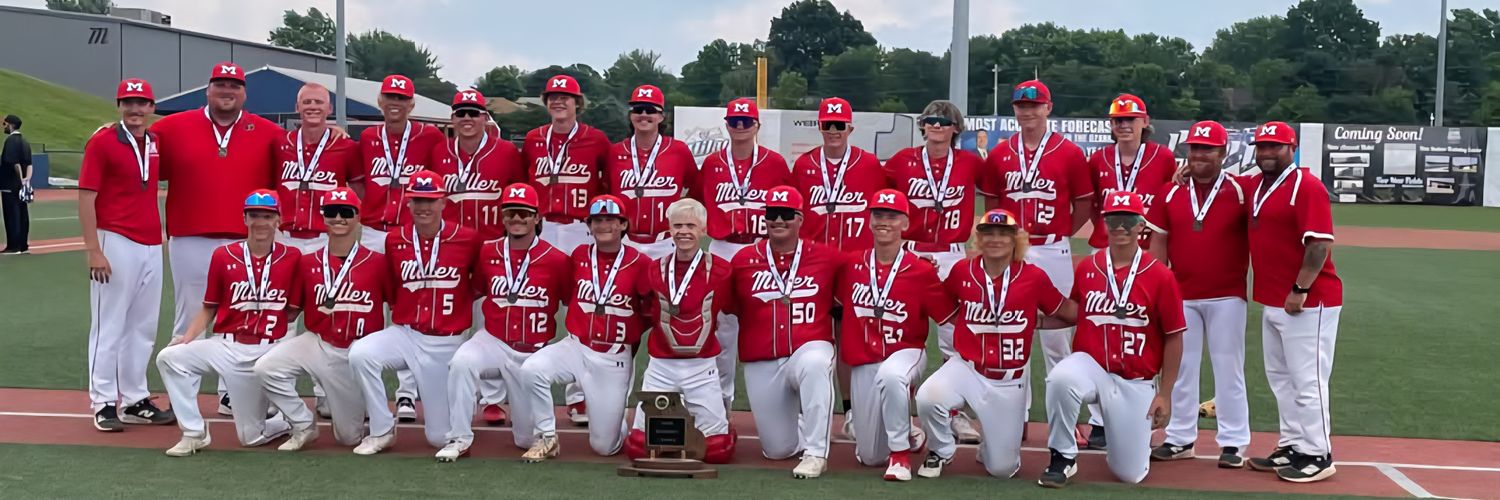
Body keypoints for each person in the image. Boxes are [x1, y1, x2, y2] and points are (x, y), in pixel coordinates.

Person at [151, 62, 286, 416]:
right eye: (221, 84)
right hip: (190, 236)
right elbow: (132, 142)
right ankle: (183, 396)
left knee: (241, 319)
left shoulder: (269, 132)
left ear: (244, 93)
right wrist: (108, 130)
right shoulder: (170, 127)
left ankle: (232, 394)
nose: (227, 91)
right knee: (189, 316)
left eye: (235, 85)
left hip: (246, 240)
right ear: (208, 89)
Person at [1039, 191, 1185, 488]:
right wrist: (1037, 319)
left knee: (1129, 474)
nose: (1120, 227)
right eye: (1113, 220)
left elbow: (1173, 337)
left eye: (1127, 221)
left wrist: (1165, 394)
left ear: (1141, 225)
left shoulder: (1160, 275)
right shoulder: (1088, 267)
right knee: (1060, 379)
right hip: (1092, 366)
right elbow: (1077, 312)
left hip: (1135, 379)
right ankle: (1062, 456)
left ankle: (1127, 436)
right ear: (1104, 223)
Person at [916, 208, 1075, 479]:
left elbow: (1066, 311)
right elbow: (945, 305)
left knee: (1002, 469)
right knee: (928, 397)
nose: (996, 239)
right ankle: (941, 450)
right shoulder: (962, 270)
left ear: (1016, 240)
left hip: (1009, 380)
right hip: (967, 368)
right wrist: (926, 274)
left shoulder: (1033, 277)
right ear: (979, 239)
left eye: (1004, 234)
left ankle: (992, 446)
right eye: (988, 233)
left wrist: (1041, 322)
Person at [980, 80, 1096, 448]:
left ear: (1048, 108)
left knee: (1057, 339)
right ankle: (1016, 416)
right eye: (1021, 105)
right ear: (1014, 109)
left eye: (1035, 105)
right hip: (1012, 250)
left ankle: (1066, 420)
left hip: (1051, 247)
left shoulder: (1069, 152)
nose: (1028, 111)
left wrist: (1062, 232)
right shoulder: (1001, 153)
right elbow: (993, 204)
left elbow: (1084, 203)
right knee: (1011, 333)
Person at [155, 189, 301, 456]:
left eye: (267, 216)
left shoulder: (292, 258)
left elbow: (293, 311)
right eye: (254, 215)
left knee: (251, 438)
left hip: (267, 350)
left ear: (278, 220)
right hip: (226, 346)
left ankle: (283, 422)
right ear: (244, 219)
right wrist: (187, 338)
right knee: (169, 358)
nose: (260, 222)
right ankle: (194, 433)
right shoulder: (223, 255)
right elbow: (209, 307)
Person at [348, 170, 482, 455]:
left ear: (443, 202)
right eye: (417, 200)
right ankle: (382, 430)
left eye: (430, 200)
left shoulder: (468, 238)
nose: (423, 207)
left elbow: (479, 285)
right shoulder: (395, 239)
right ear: (408, 203)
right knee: (361, 354)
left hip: (446, 340)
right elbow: (393, 286)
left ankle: (460, 405)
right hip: (406, 333)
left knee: (439, 437)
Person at [1143, 120, 1252, 468]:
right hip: (1181, 294)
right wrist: (1157, 290)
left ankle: (1233, 442)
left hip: (1227, 294)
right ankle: (1179, 437)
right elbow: (1158, 243)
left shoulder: (1241, 190)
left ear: (1223, 152)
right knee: (1181, 367)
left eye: (1208, 149)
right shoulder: (1169, 192)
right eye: (1195, 148)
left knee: (1228, 368)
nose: (1200, 155)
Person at [1240, 121, 1343, 483]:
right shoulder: (1256, 184)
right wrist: (1188, 170)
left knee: (1307, 380)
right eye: (1262, 146)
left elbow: (1319, 245)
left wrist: (1300, 289)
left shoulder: (1306, 186)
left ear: (1292, 148)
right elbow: (1221, 184)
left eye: (1275, 146)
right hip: (1273, 298)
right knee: (1281, 379)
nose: (1267, 152)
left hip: (1308, 300)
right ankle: (1293, 443)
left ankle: (1318, 453)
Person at [438, 183, 570, 462]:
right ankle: (459, 438)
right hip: (494, 339)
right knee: (461, 362)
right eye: (510, 213)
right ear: (502, 216)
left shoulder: (557, 260)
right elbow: (476, 289)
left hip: (532, 350)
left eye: (524, 213)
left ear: (537, 217)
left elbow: (572, 303)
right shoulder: (487, 252)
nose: (516, 219)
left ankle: (543, 435)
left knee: (525, 439)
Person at [517, 194, 653, 462]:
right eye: (597, 220)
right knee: (532, 370)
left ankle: (615, 424)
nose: (604, 226)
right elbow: (569, 294)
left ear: (623, 224)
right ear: (588, 226)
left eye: (611, 220)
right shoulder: (579, 255)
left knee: (605, 446)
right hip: (575, 346)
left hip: (612, 356)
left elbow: (649, 312)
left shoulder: (641, 263)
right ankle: (546, 436)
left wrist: (628, 341)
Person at [255, 187, 388, 451]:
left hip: (354, 351)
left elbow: (397, 304)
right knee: (266, 368)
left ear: (358, 216)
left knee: (349, 438)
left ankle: (369, 410)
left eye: (346, 212)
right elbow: (292, 311)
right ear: (323, 216)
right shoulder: (307, 262)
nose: (338, 218)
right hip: (316, 342)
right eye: (331, 212)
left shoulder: (378, 262)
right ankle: (303, 424)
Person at [881, 99, 983, 443]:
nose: (937, 126)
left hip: (952, 254)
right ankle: (898, 411)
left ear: (956, 128)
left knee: (955, 337)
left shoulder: (970, 162)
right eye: (931, 120)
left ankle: (954, 411)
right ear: (922, 125)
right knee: (902, 331)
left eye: (944, 121)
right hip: (911, 252)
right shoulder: (901, 161)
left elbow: (997, 193)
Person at [79, 78, 175, 431]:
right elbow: (86, 196)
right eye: (128, 102)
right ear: (119, 105)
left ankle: (134, 398)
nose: (135, 109)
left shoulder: (155, 141)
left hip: (151, 243)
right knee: (109, 324)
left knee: (143, 327)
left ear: (152, 107)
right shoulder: (103, 141)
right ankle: (103, 402)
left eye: (142, 103)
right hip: (115, 239)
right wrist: (93, 250)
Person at [791, 97, 888, 440]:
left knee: (850, 340)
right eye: (827, 124)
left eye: (839, 125)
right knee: (809, 338)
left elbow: (882, 213)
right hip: (814, 265)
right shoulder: (804, 165)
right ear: (819, 126)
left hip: (854, 265)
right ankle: (804, 412)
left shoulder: (869, 164)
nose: (833, 131)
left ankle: (850, 411)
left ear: (850, 128)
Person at [730, 185, 842, 479]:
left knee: (816, 364)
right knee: (777, 449)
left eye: (786, 214)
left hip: (809, 346)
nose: (778, 220)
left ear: (800, 218)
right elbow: (728, 305)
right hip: (762, 356)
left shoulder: (828, 258)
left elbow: (865, 274)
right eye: (772, 214)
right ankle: (802, 423)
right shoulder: (742, 260)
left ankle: (816, 452)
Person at [836, 189, 946, 481]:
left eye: (892, 216)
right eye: (878, 215)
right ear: (869, 220)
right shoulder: (851, 265)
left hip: (905, 351)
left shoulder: (921, 269)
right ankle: (909, 433)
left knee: (893, 375)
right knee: (870, 457)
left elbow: (948, 315)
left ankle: (900, 456)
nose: (884, 221)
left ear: (905, 223)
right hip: (864, 359)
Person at [522, 74, 612, 425]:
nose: (558, 101)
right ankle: (529, 384)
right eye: (553, 96)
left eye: (566, 97)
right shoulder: (533, 138)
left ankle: (578, 393)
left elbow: (607, 183)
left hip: (579, 228)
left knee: (582, 306)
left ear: (578, 103)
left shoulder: (596, 139)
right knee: (533, 303)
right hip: (543, 228)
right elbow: (524, 182)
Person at [354, 74, 445, 422]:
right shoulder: (367, 137)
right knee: (367, 307)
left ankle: (406, 393)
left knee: (409, 306)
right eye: (390, 96)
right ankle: (368, 394)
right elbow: (358, 183)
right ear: (379, 101)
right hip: (373, 231)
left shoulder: (429, 136)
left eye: (402, 98)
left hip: (411, 233)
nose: (395, 103)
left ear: (411, 104)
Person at [624, 198, 736, 464]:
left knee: (717, 450)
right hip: (661, 366)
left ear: (704, 230)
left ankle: (719, 422)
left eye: (691, 225)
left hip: (702, 366)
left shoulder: (722, 270)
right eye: (677, 226)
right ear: (669, 229)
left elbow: (733, 309)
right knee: (639, 447)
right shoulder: (652, 269)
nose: (684, 231)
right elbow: (643, 311)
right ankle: (678, 427)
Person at [699, 98, 793, 412]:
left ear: (757, 126)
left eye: (746, 122)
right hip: (723, 247)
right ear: (726, 125)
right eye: (734, 122)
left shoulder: (774, 163)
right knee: (723, 329)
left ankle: (775, 401)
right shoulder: (712, 163)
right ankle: (720, 401)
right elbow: (699, 202)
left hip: (761, 248)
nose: (740, 127)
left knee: (767, 323)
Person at [606, 84, 699, 260]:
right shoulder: (614, 152)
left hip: (666, 241)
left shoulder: (678, 151)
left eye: (650, 110)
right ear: (631, 115)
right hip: (624, 240)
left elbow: (696, 189)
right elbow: (605, 190)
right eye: (638, 110)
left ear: (661, 117)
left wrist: (682, 216)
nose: (643, 115)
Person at [273, 83, 362, 254]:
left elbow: (360, 192)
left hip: (327, 237)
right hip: (284, 237)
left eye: (318, 102)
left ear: (329, 108)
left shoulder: (346, 146)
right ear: (297, 107)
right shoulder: (279, 143)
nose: (313, 107)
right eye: (307, 102)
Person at [433, 88, 525, 241]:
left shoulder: (507, 151)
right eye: (461, 113)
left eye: (473, 113)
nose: (467, 118)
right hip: (449, 241)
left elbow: (520, 195)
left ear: (485, 118)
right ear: (452, 118)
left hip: (494, 240)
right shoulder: (439, 151)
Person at [1087, 94, 1175, 252]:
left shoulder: (1163, 157)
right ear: (1111, 124)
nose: (1124, 125)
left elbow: (1169, 204)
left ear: (1145, 121)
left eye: (1131, 119)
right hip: (1105, 246)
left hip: (1146, 247)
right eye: (1118, 120)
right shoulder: (1098, 158)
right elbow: (1092, 205)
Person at [1, 113, 32, 254]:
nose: (4, 127)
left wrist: (20, 179)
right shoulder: (25, 142)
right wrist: (26, 181)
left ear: (11, 125)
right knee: (22, 213)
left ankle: (14, 246)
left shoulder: (10, 142)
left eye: (5, 124)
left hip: (10, 184)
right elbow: (29, 164)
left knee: (11, 214)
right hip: (21, 185)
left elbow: (15, 163)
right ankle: (23, 244)